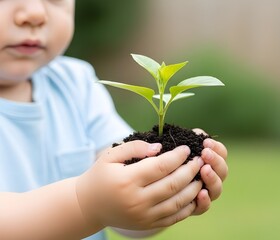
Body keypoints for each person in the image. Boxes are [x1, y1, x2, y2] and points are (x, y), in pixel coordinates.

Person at [0, 0, 228, 239]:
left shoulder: (77, 84)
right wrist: (85, 205)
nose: (36, 13)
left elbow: (124, 205)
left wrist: (166, 190)